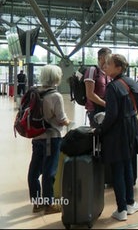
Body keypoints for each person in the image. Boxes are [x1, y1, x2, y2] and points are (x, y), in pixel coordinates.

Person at [94, 54, 138, 221]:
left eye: (109, 64)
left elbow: (112, 114)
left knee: (117, 169)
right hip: (131, 129)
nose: (105, 66)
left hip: (117, 132)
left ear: (118, 68)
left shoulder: (113, 87)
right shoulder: (132, 83)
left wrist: (100, 129)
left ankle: (121, 209)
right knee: (128, 164)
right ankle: (130, 203)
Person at [28, 65, 73, 215]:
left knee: (34, 170)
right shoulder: (55, 95)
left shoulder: (35, 92)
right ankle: (48, 204)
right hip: (51, 138)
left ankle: (36, 202)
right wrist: (69, 122)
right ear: (56, 78)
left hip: (36, 137)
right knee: (49, 171)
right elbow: (61, 119)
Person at [85, 47, 112, 127]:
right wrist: (106, 104)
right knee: (97, 135)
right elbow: (90, 94)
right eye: (107, 58)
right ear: (100, 58)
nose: (108, 61)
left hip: (105, 108)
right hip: (94, 110)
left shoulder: (107, 73)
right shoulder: (92, 70)